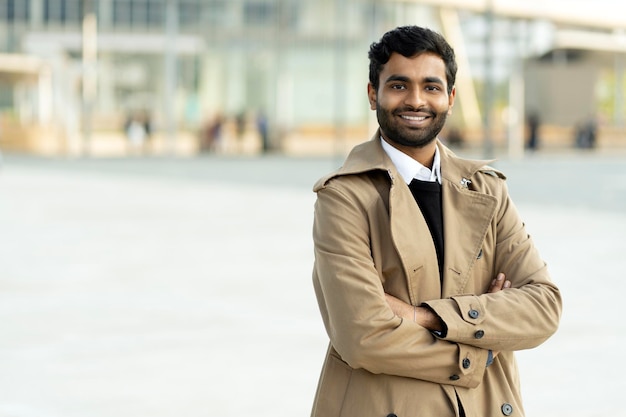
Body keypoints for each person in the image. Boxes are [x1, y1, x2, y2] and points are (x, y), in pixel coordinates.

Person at [310, 25, 562, 417]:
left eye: (430, 86)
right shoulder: (343, 197)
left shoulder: (488, 191)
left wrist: (423, 316)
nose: (415, 100)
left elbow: (544, 307)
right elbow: (362, 335)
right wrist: (482, 344)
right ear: (373, 94)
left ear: (451, 97)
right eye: (398, 86)